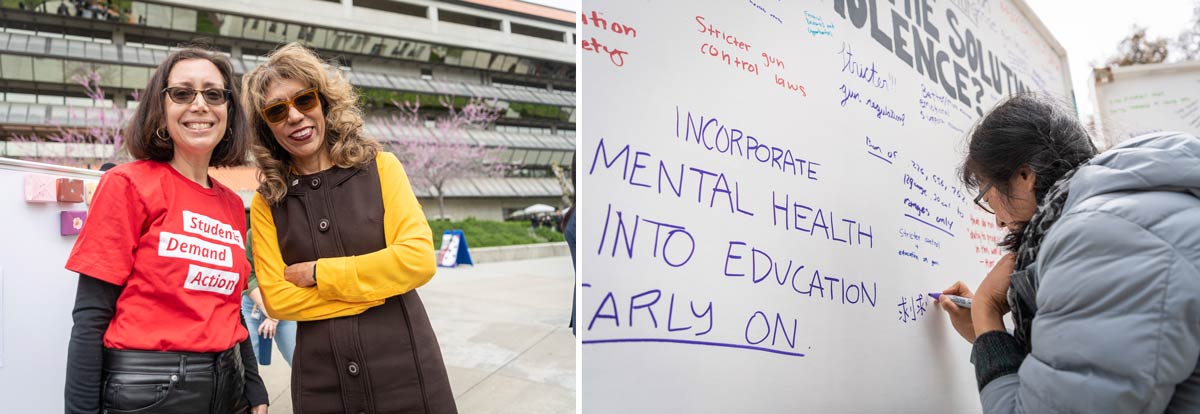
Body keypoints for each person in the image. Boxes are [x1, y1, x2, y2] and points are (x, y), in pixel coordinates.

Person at [940, 93, 1200, 413]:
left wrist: (986, 309)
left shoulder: (1099, 239)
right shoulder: (1135, 211)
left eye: (986, 194)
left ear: (1024, 176)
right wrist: (990, 337)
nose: (997, 219)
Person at [242, 42, 456, 413]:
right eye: (277, 111)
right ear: (267, 127)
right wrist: (375, 288)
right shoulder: (266, 204)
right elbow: (278, 299)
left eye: (304, 101)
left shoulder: (382, 168)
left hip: (406, 370)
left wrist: (319, 274)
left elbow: (418, 260)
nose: (294, 116)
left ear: (323, 103)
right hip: (321, 383)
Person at [64, 47, 269, 413]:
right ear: (161, 108)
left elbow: (229, 309)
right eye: (182, 93)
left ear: (228, 111)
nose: (200, 104)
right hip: (152, 394)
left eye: (213, 93)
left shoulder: (232, 205)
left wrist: (255, 388)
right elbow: (91, 315)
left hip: (231, 389)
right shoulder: (127, 184)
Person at [241, 228, 296, 366]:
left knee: (297, 360)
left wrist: (274, 313)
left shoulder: (292, 232)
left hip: (284, 303)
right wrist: (267, 309)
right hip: (253, 303)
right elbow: (248, 274)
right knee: (248, 364)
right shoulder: (253, 234)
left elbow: (295, 274)